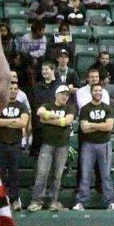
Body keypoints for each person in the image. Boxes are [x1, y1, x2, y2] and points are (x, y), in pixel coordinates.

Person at [27, 84, 76, 212]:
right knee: (42, 173)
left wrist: (48, 119)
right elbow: (39, 112)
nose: (65, 97)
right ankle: (36, 201)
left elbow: (67, 121)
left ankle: (52, 201)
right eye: (63, 94)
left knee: (57, 176)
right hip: (47, 144)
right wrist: (58, 118)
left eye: (67, 95)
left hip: (62, 146)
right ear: (57, 95)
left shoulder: (70, 107)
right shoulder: (48, 104)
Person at [74, 82, 114, 211]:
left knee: (105, 175)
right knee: (85, 175)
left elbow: (109, 127)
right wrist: (101, 126)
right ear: (91, 92)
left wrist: (92, 125)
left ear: (102, 92)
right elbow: (84, 128)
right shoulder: (85, 109)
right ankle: (81, 202)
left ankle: (110, 202)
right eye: (95, 90)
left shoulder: (107, 108)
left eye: (100, 90)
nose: (98, 92)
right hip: (88, 145)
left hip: (104, 145)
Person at [0, 74, 31, 210]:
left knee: (15, 173)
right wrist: (13, 121)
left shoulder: (22, 106)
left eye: (15, 88)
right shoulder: (0, 104)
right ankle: (1, 198)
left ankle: (14, 199)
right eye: (11, 88)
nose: (13, 90)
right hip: (2, 144)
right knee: (0, 173)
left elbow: (23, 123)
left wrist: (5, 122)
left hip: (15, 144)